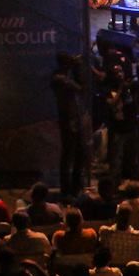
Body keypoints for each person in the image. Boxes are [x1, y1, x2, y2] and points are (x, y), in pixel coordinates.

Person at [51, 53, 87, 197]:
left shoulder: (63, 77)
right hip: (67, 121)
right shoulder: (59, 78)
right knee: (68, 155)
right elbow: (80, 87)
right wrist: (77, 68)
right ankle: (67, 189)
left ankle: (75, 187)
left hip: (73, 119)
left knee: (78, 153)